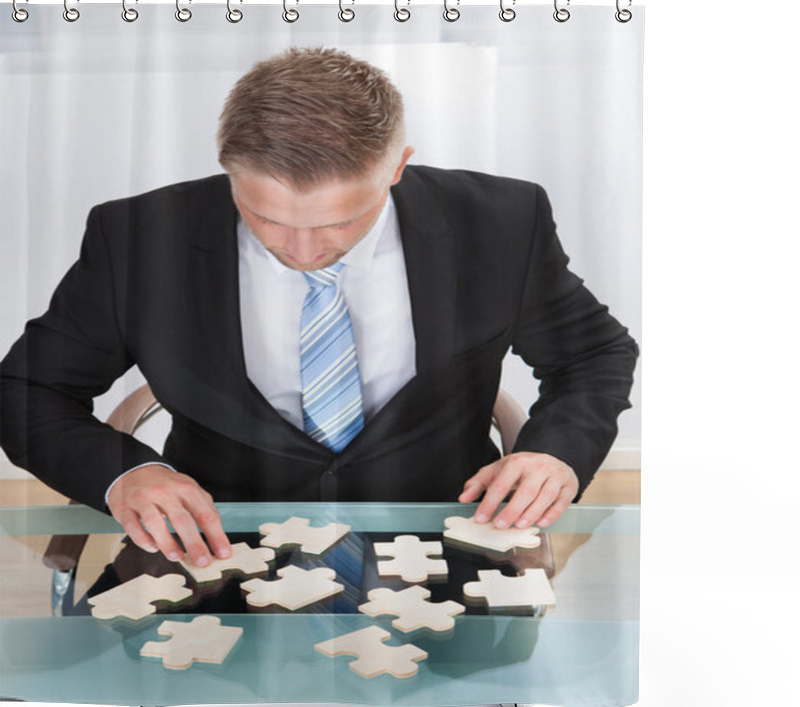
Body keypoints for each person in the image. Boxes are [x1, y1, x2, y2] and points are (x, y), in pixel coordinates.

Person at [0, 47, 637, 571]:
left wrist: (555, 452)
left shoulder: (499, 222)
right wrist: (125, 474)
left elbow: (592, 353)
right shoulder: (137, 237)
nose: (300, 249)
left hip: (448, 552)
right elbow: (28, 390)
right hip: (207, 551)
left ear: (397, 167)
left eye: (341, 221)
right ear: (228, 173)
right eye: (264, 217)